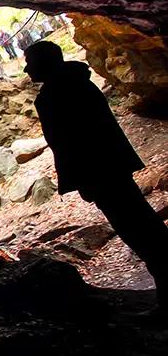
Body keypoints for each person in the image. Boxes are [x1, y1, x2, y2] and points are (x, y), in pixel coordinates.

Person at [24, 42, 167, 313]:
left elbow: (75, 140)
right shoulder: (74, 83)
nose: (26, 68)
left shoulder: (61, 92)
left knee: (141, 232)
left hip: (102, 173)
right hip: (108, 170)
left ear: (46, 62)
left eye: (30, 62)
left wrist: (86, 178)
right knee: (143, 229)